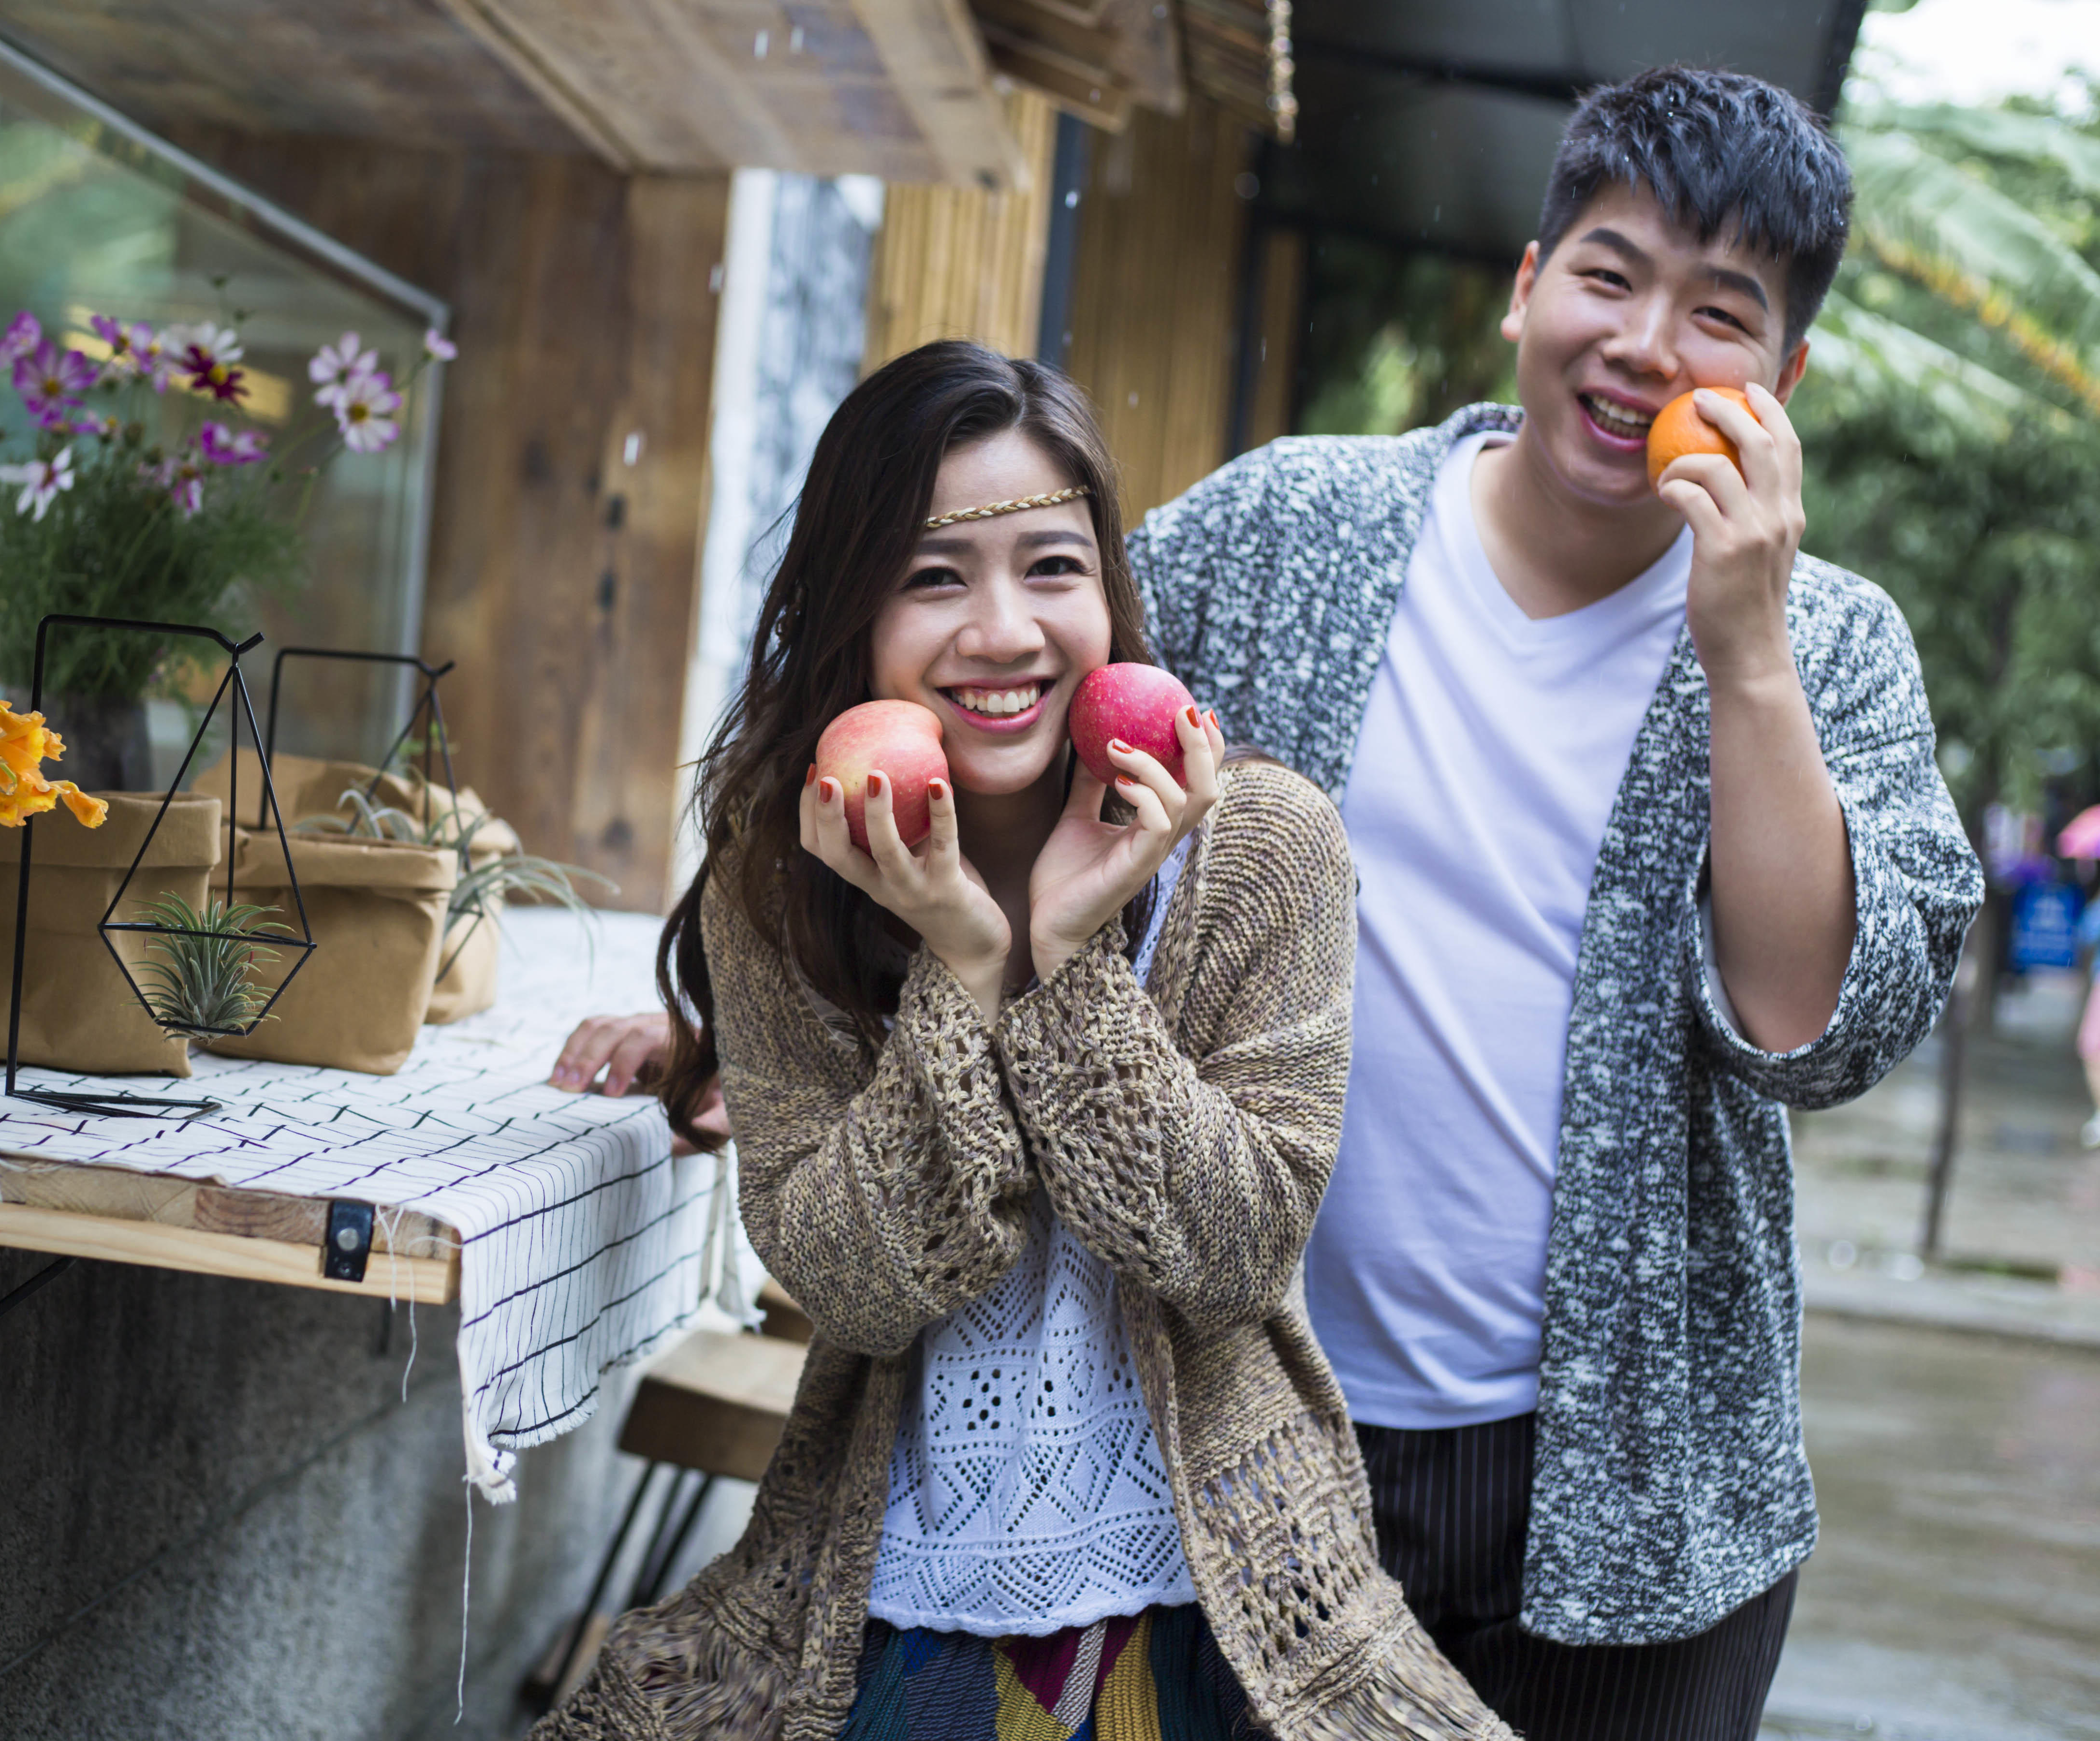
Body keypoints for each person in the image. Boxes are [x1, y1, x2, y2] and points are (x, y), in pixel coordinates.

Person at [556, 67, 1984, 1741]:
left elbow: (1817, 1031)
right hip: (1257, 1436)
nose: (1650, 345)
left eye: (1719, 313)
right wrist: (752, 998)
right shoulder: (1298, 522)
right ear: (1530, 289)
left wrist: (1745, 651)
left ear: (1784, 377)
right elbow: (997, 691)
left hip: (1639, 1491)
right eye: (1610, 276)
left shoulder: (1831, 644)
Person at [539, 340, 1509, 1741]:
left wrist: (1066, 965)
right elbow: (851, 1283)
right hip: (894, 1600)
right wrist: (966, 959)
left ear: (1110, 594)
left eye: (1052, 568)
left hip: (1219, 1600)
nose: (1004, 631)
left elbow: (1235, 1248)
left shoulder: (1262, 848)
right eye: (936, 578)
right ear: (850, 615)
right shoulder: (788, 866)